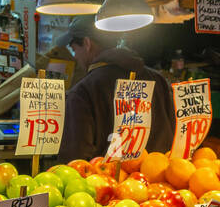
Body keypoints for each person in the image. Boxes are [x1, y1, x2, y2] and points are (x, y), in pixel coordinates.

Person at [56, 15, 175, 162]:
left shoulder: (83, 92)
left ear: (87, 43)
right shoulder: (159, 81)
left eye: (74, 49)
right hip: (158, 183)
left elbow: (75, 160)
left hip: (106, 182)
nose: (75, 57)